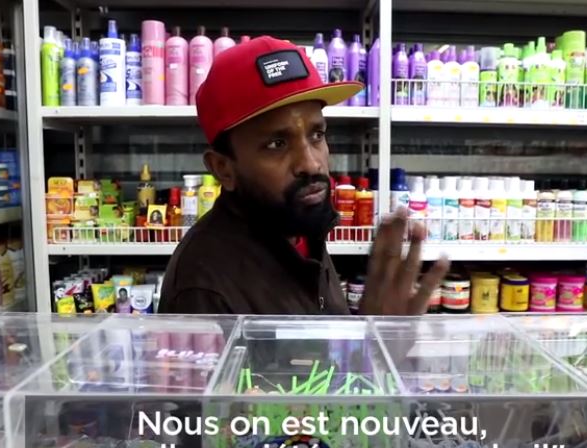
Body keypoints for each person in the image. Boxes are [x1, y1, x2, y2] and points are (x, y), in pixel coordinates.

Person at [158, 36, 449, 315]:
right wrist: (376, 341)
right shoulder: (203, 288)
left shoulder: (297, 227)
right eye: (277, 144)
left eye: (317, 134)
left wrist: (371, 329)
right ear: (223, 169)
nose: (311, 164)